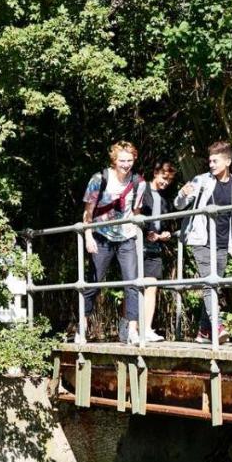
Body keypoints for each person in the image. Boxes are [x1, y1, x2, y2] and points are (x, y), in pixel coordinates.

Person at [175, 141, 232, 343]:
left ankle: (203, 332)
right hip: (201, 239)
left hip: (224, 241)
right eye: (210, 161)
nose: (211, 164)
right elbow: (180, 204)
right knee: (210, 283)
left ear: (228, 161)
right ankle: (217, 327)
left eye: (215, 161)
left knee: (214, 285)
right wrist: (183, 194)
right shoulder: (201, 181)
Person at [80, 141, 147, 344]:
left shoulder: (139, 183)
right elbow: (88, 213)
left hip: (126, 236)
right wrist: (88, 237)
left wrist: (138, 235)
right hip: (101, 235)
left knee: (133, 283)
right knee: (93, 283)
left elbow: (136, 212)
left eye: (129, 160)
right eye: (122, 161)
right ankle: (81, 327)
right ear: (114, 161)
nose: (126, 165)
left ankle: (133, 330)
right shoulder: (99, 180)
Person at [136, 159, 177, 342]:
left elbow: (164, 222)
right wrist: (146, 232)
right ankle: (131, 329)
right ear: (156, 173)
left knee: (152, 286)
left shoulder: (164, 198)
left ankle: (146, 328)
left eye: (168, 180)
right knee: (136, 287)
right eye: (163, 177)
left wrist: (165, 233)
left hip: (155, 246)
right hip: (137, 244)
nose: (165, 182)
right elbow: (134, 214)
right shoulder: (142, 189)